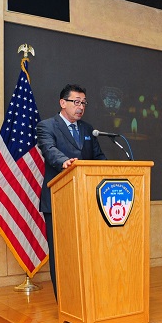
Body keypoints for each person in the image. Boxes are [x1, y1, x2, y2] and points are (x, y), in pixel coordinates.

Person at [36, 83, 107, 300]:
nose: (81, 107)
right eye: (76, 102)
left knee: (87, 249)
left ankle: (89, 295)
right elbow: (49, 150)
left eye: (83, 102)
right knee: (62, 253)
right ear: (63, 103)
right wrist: (65, 162)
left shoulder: (87, 129)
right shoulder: (46, 126)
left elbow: (99, 157)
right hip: (59, 198)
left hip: (86, 199)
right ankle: (66, 299)